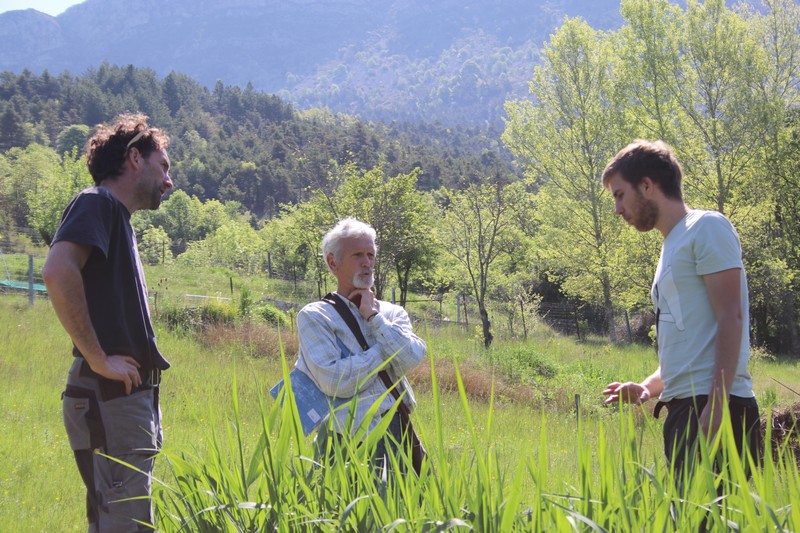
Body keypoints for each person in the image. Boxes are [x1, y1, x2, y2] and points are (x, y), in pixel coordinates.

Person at [42, 113, 174, 532]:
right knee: (124, 523)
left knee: (120, 519)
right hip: (108, 396)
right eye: (164, 166)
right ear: (134, 157)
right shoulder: (96, 203)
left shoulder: (117, 219)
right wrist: (99, 359)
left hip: (121, 401)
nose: (169, 182)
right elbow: (57, 271)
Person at [600, 140, 760, 477]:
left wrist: (716, 404)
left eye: (619, 195)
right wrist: (647, 389)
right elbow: (693, 341)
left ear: (647, 185)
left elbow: (731, 316)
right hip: (685, 410)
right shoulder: (671, 246)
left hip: (718, 407)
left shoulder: (706, 227)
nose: (617, 210)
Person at [295, 218, 427, 470]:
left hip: (395, 429)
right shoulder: (315, 316)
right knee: (337, 508)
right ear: (333, 262)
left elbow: (412, 359)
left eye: (370, 254)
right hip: (342, 435)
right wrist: (387, 349)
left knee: (399, 507)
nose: (367, 262)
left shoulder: (391, 313)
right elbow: (335, 381)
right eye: (357, 255)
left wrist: (374, 318)